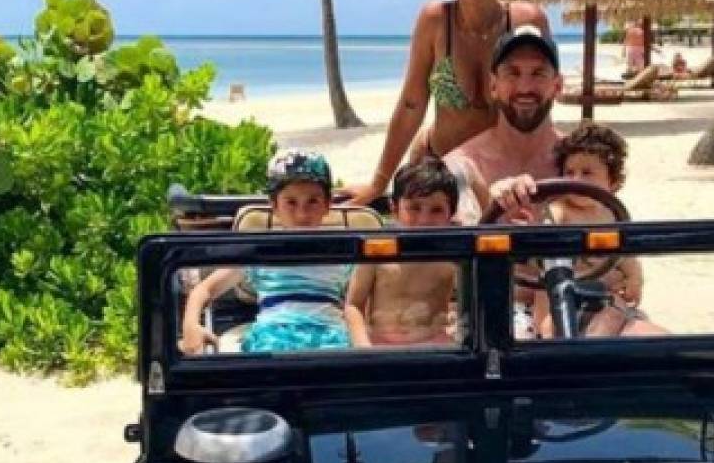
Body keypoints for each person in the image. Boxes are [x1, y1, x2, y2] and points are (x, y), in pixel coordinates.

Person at [349, 0, 549, 208]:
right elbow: (411, 104)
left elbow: (541, 102)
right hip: (442, 173)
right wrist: (379, 182)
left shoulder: (525, 22)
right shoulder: (435, 22)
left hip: (507, 174)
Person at [179, 150, 352, 355]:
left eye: (312, 201)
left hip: (330, 339)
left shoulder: (343, 250)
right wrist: (190, 325)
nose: (302, 214)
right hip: (273, 340)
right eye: (291, 202)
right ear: (274, 206)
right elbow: (204, 289)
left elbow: (361, 302)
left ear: (327, 205)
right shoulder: (260, 250)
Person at [531, 123, 665, 338]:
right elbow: (544, 240)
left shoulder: (612, 215)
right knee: (549, 325)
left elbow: (627, 258)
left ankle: (591, 351)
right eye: (569, 173)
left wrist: (634, 280)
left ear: (612, 182)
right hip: (561, 296)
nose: (576, 181)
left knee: (615, 311)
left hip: (602, 300)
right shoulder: (560, 212)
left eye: (587, 173)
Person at [443, 24, 564, 223]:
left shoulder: (579, 163)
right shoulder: (464, 166)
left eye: (538, 73)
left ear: (557, 86)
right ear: (493, 85)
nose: (525, 87)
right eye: (512, 73)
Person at [345, 159, 459, 347]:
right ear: (394, 208)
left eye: (436, 210)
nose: (424, 220)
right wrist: (363, 348)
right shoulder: (377, 250)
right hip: (379, 345)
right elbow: (353, 305)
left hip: (433, 346)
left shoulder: (453, 257)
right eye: (414, 208)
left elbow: (470, 304)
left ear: (451, 214)